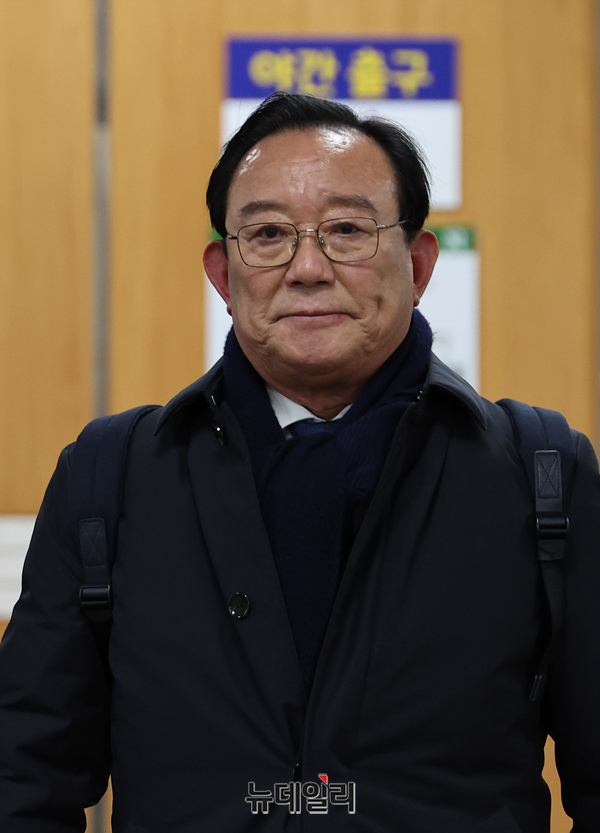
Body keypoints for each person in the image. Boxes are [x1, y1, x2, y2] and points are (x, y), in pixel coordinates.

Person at [1, 91, 599, 832]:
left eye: (347, 229)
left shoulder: (542, 475)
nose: (307, 267)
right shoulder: (111, 477)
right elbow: (24, 777)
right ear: (223, 274)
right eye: (268, 234)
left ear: (418, 264)